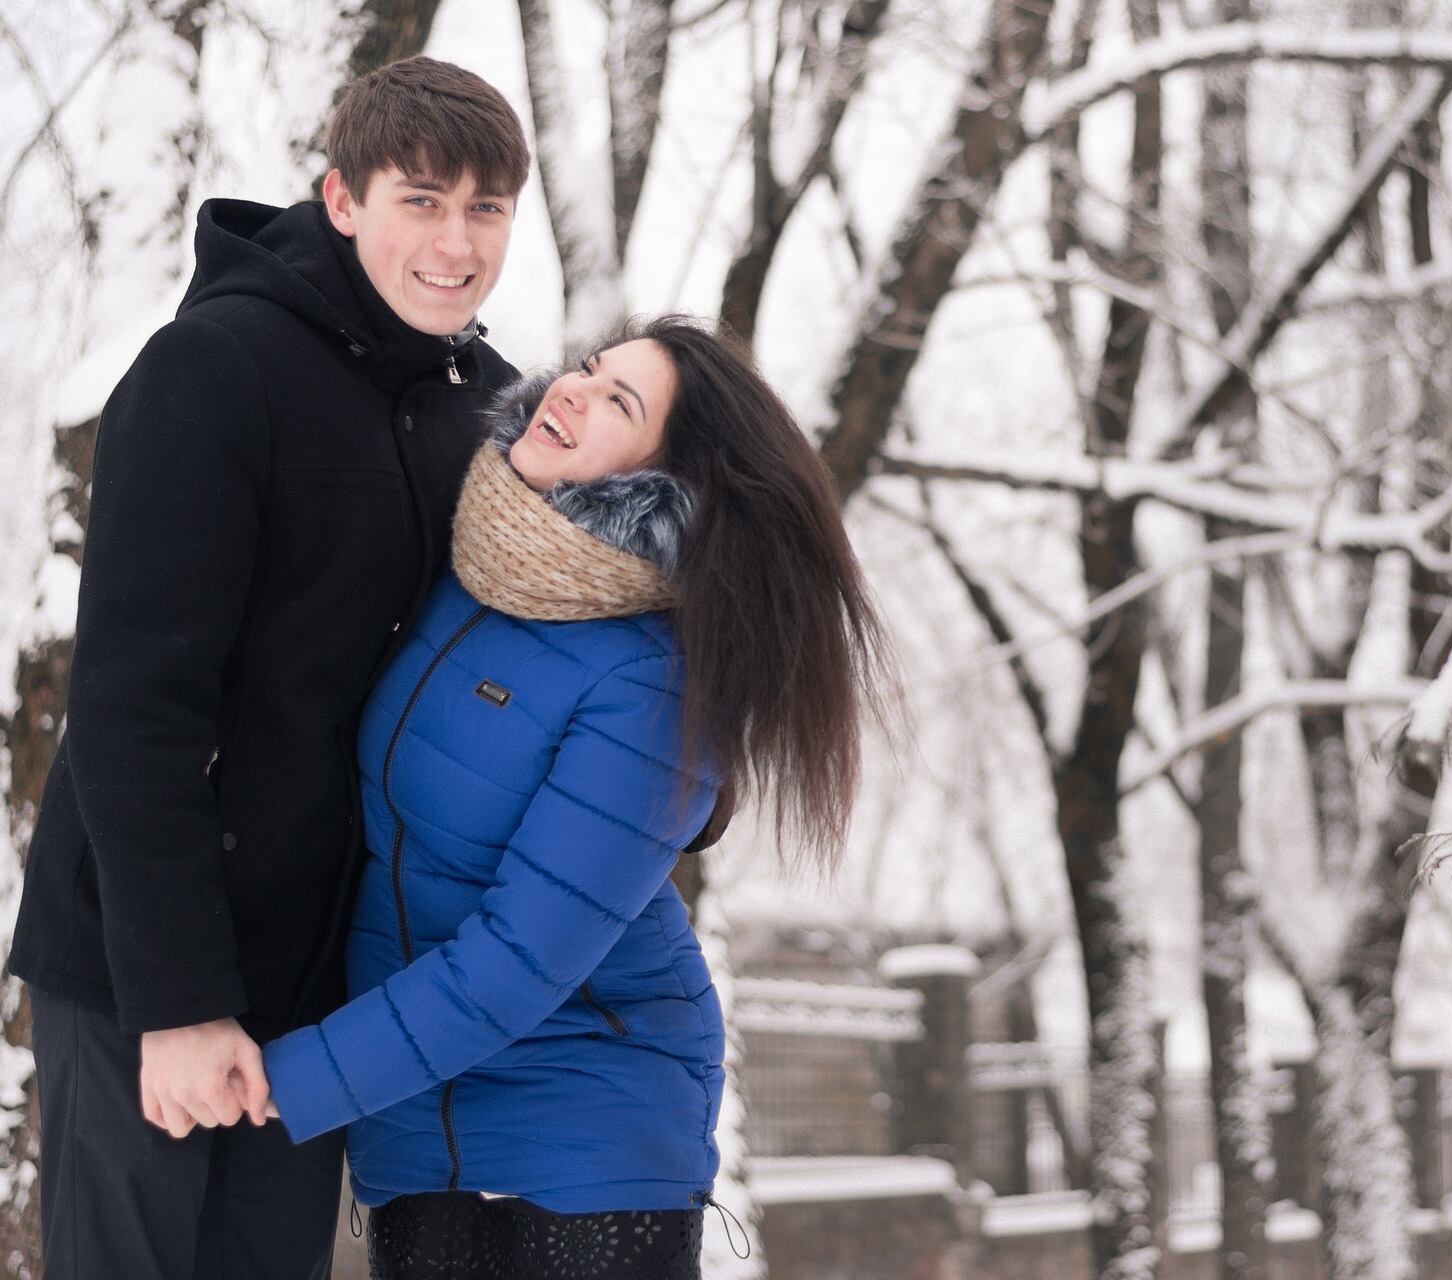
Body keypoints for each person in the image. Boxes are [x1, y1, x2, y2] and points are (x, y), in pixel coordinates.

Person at [6, 57, 530, 1279]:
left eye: (487, 209)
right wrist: (180, 1000)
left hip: (321, 994)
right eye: (421, 200)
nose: (456, 244)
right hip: (146, 966)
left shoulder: (492, 412)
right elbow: (134, 708)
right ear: (342, 199)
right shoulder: (215, 369)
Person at [256, 315, 891, 1279]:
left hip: (589, 1133)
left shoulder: (655, 678)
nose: (572, 391)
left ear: (666, 478)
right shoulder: (468, 565)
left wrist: (284, 1081)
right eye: (588, 369)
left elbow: (519, 957)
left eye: (618, 403)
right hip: (419, 1126)